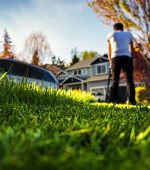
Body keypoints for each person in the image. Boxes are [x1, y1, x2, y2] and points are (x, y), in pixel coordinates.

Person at [107, 23, 136, 105]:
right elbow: (131, 47)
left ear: (114, 29)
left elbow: (109, 49)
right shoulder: (128, 34)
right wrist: (131, 57)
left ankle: (114, 100)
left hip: (115, 57)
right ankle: (132, 100)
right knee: (129, 80)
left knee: (115, 80)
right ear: (122, 28)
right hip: (127, 57)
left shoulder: (110, 34)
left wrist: (110, 61)